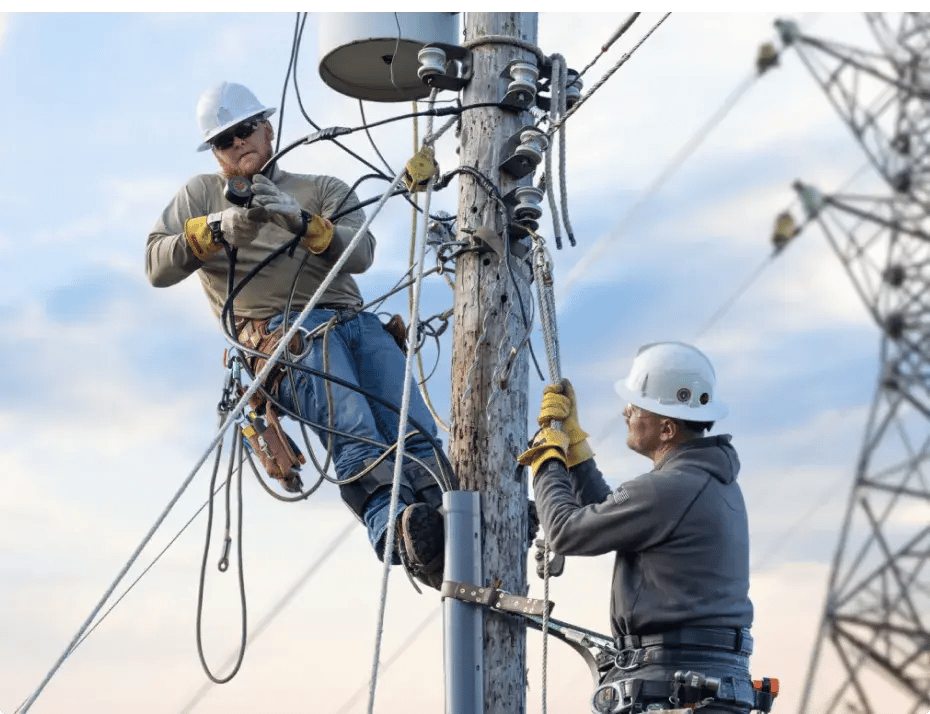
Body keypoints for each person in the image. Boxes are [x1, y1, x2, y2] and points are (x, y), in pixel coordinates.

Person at [145, 81, 445, 589]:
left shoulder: (321, 187)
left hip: (353, 322)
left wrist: (301, 222)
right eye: (224, 140)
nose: (238, 144)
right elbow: (155, 264)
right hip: (284, 340)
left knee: (415, 429)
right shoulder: (199, 195)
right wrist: (213, 231)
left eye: (245, 130)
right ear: (215, 153)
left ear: (267, 128)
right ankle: (390, 530)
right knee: (356, 434)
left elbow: (363, 252)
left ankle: (440, 524)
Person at [520, 342, 767, 714]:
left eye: (637, 407)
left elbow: (566, 531)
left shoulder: (670, 489)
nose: (626, 412)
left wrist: (545, 455)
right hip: (706, 682)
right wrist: (575, 455)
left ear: (667, 428)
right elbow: (607, 515)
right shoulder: (709, 483)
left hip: (670, 682)